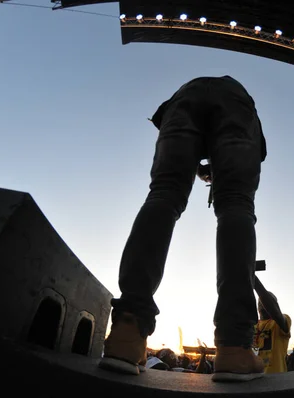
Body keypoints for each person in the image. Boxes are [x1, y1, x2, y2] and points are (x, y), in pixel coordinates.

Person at [99, 75, 267, 382]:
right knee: (236, 205)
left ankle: (127, 329)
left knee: (163, 192)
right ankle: (234, 346)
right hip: (236, 101)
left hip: (183, 98)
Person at [252, 276, 291, 373]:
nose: (263, 302)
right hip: (254, 379)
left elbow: (275, 312)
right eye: (260, 300)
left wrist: (253, 278)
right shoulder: (251, 326)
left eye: (267, 300)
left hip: (277, 378)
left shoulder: (282, 321)